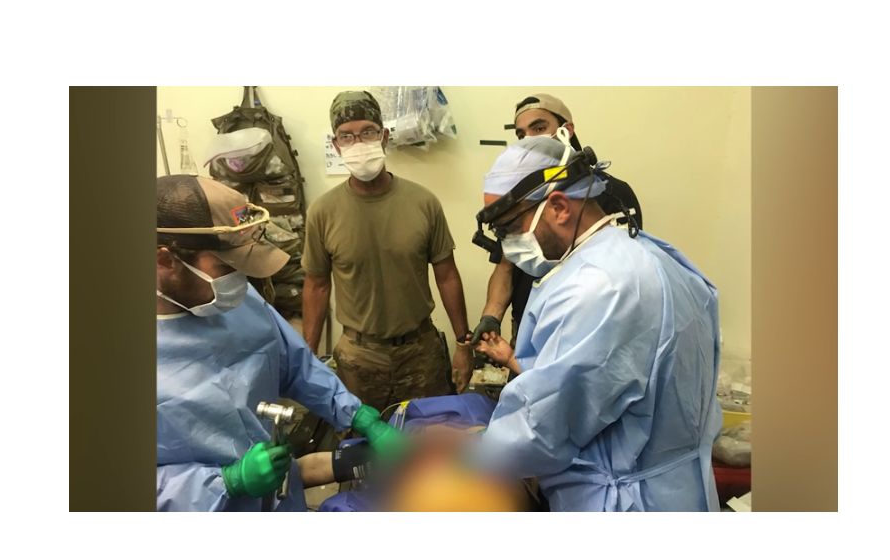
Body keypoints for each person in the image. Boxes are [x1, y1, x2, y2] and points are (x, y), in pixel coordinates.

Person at [468, 136, 723, 512]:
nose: (508, 245)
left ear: (558, 207)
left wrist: (474, 454)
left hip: (627, 501)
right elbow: (584, 377)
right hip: (678, 488)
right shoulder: (651, 255)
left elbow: (542, 429)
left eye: (510, 228)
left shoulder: (598, 286)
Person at [155, 174, 397, 511]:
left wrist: (357, 415)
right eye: (225, 266)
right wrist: (226, 482)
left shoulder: (240, 304)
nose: (239, 280)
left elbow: (296, 366)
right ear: (165, 260)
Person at [302, 90, 475, 412]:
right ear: (336, 145)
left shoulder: (423, 202)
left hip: (420, 353)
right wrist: (307, 358)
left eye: (367, 132)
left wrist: (464, 344)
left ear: (384, 136)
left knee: (431, 436)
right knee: (360, 440)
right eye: (347, 136)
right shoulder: (323, 212)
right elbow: (317, 285)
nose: (358, 142)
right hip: (358, 358)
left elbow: (447, 275)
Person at [472, 94, 644, 345]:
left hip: (588, 329)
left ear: (567, 130)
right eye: (521, 135)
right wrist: (491, 316)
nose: (530, 140)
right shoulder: (519, 198)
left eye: (539, 128)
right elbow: (505, 266)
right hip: (530, 326)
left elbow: (624, 276)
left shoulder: (611, 194)